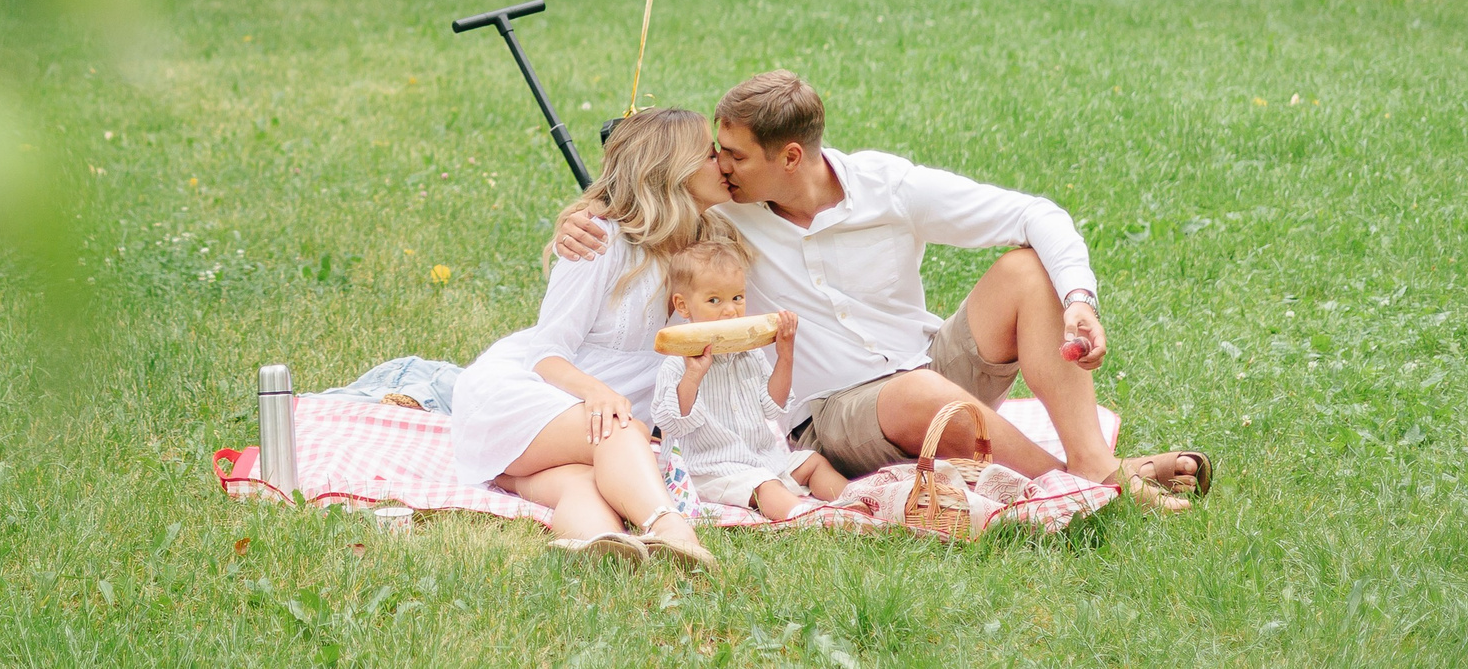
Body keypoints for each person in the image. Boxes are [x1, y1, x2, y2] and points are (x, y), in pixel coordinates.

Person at [554, 72, 1212, 510]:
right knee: (916, 392)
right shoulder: (721, 209)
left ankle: (1095, 464)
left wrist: (1079, 299)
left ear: (790, 157)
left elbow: (1036, 213)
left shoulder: (887, 187)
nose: (719, 165)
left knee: (1024, 269)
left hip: (927, 369)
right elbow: (646, 182)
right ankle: (1086, 489)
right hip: (827, 414)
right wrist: (583, 213)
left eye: (733, 154)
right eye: (715, 153)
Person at [450, 108, 727, 565]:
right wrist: (599, 394)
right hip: (526, 396)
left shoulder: (705, 248)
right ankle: (672, 530)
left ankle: (603, 552)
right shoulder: (600, 241)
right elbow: (546, 353)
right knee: (619, 430)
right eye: (709, 153)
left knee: (586, 481)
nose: (722, 163)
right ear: (671, 170)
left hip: (580, 430)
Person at [651, 227, 848, 521]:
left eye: (737, 298)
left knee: (813, 462)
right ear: (683, 306)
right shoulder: (678, 364)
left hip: (763, 457)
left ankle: (857, 504)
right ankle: (808, 519)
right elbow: (673, 423)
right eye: (714, 301)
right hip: (712, 468)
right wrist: (693, 376)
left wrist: (785, 355)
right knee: (765, 486)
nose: (730, 311)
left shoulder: (750, 354)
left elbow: (773, 406)